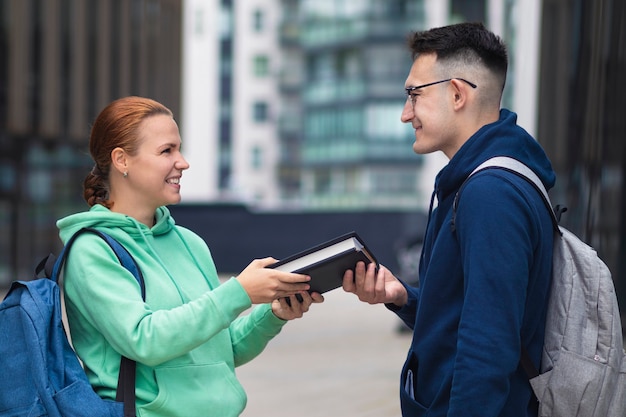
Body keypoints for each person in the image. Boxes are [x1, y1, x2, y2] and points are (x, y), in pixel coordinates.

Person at [57, 96, 324, 417]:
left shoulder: (190, 243)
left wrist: (273, 314)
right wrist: (239, 292)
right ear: (122, 160)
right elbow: (145, 340)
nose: (182, 162)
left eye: (179, 149)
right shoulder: (92, 250)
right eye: (166, 150)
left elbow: (224, 349)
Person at [342, 22, 555, 417]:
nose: (406, 114)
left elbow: (488, 346)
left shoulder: (490, 194)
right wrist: (405, 298)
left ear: (456, 93)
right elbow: (470, 312)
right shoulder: (486, 183)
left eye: (414, 95)